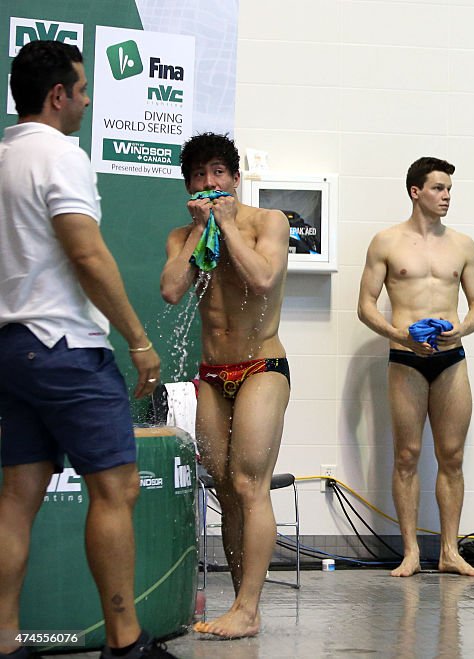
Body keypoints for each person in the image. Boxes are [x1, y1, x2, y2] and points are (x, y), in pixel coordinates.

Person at [0, 41, 170, 659]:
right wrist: (138, 339)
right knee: (116, 490)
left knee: (17, 498)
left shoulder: (4, 157)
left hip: (12, 347)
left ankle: (3, 639)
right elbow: (87, 253)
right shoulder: (59, 156)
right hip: (66, 346)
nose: (88, 100)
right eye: (82, 88)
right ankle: (126, 641)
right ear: (57, 96)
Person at [160, 133, 290, 638]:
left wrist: (229, 226)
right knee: (224, 488)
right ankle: (241, 603)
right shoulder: (181, 236)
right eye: (199, 175)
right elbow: (172, 291)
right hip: (212, 375)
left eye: (218, 173)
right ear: (188, 184)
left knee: (248, 483)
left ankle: (250, 608)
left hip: (262, 367)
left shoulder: (268, 222)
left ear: (236, 178)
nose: (209, 184)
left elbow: (261, 279)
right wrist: (199, 233)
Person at [357, 156, 474, 578]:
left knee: (451, 455)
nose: (446, 195)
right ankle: (410, 551)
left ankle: (449, 550)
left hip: (452, 360)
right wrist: (401, 335)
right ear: (416, 191)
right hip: (407, 358)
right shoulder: (386, 242)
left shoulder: (462, 245)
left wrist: (462, 327)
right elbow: (365, 306)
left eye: (449, 188)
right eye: (438, 188)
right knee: (407, 456)